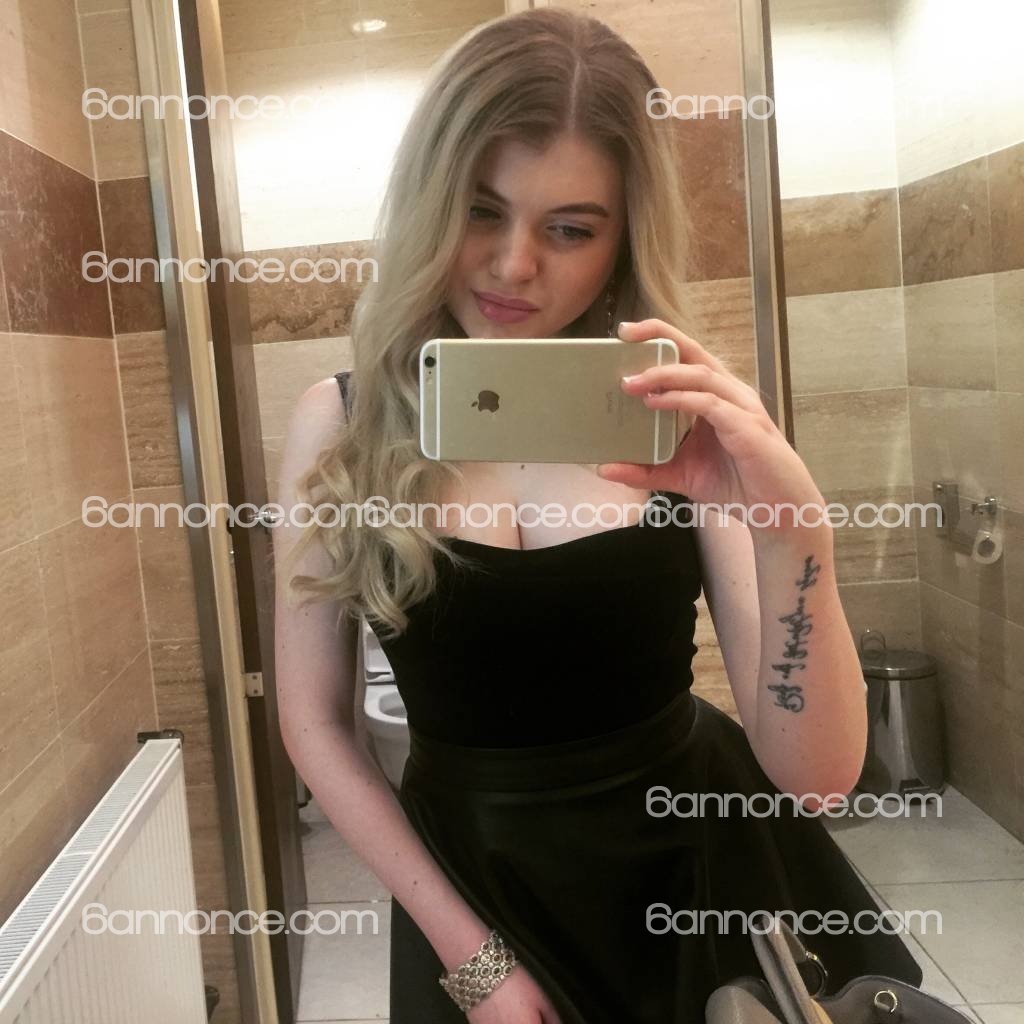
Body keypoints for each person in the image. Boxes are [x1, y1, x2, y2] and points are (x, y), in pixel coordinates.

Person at [273, 8, 925, 1023]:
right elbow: (315, 722)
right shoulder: (344, 421)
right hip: (471, 887)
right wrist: (473, 960)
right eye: (480, 210)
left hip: (698, 868)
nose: (513, 265)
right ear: (426, 202)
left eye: (569, 228)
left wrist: (794, 529)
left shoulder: (680, 416)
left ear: (622, 238)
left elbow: (816, 779)